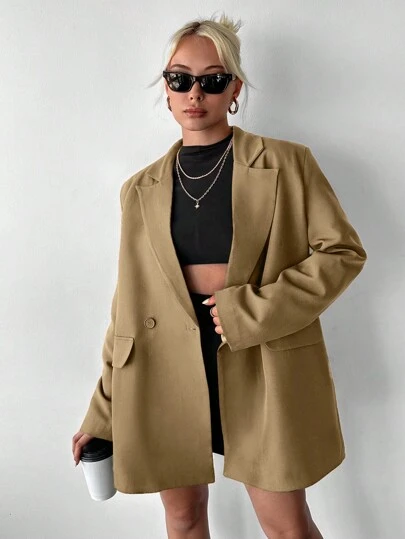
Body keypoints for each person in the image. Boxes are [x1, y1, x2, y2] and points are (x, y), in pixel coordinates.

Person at [72, 13, 367, 539]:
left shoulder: (287, 163)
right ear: (166, 90)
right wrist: (102, 411)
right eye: (180, 78)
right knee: (183, 518)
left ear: (234, 89)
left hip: (260, 355)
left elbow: (342, 252)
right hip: (163, 367)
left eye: (212, 80)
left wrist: (251, 311)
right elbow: (127, 309)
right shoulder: (139, 190)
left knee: (287, 526)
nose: (194, 93)